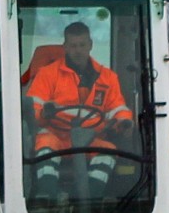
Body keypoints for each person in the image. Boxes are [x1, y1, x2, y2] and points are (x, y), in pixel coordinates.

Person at [24, 21, 137, 157]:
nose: (78, 50)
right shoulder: (47, 74)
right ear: (65, 47)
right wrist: (44, 113)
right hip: (55, 137)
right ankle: (48, 178)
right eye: (73, 46)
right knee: (44, 144)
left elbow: (118, 109)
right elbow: (31, 110)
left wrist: (124, 122)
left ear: (90, 45)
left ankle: (95, 179)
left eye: (82, 45)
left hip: (91, 138)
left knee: (109, 151)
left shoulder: (108, 77)